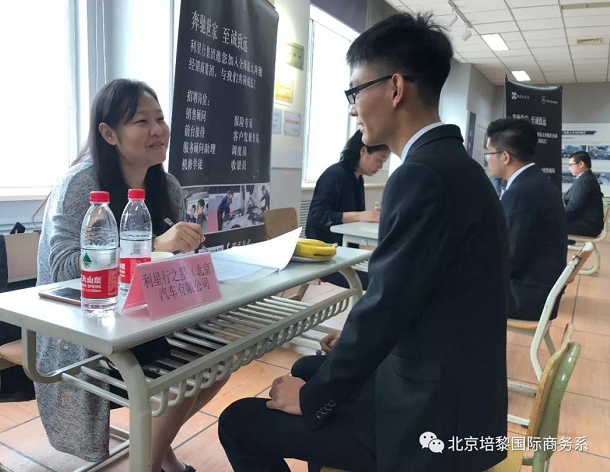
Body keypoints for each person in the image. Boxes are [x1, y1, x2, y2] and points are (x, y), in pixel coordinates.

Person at [218, 12, 509, 472]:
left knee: (238, 420)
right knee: (307, 368)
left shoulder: (422, 175)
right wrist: (342, 359)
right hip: (459, 394)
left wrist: (313, 400)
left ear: (395, 88)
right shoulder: (458, 167)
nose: (352, 108)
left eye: (355, 91)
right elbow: (407, 298)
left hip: (427, 423)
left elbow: (387, 305)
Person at [36, 79, 227, 472]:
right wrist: (153, 244)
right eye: (142, 121)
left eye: (160, 119)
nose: (158, 130)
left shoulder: (166, 185)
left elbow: (169, 262)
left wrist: (184, 249)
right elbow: (64, 269)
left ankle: (154, 449)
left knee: (218, 357)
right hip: (83, 325)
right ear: (109, 133)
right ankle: (150, 462)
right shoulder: (82, 185)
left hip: (145, 317)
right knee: (182, 373)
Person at [485, 118, 567, 322]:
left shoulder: (521, 192)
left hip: (527, 295)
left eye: (489, 153)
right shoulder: (536, 181)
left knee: (451, 286)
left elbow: (508, 259)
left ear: (505, 157)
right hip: (539, 288)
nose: (487, 159)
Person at [305, 129, 389, 289]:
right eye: (379, 160)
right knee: (381, 279)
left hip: (345, 252)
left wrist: (369, 216)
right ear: (363, 151)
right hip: (324, 255)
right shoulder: (334, 175)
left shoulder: (357, 178)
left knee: (388, 270)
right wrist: (359, 216)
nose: (380, 166)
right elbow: (316, 217)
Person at [564, 151, 604, 237]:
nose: (569, 168)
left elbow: (574, 207)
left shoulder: (584, 180)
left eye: (570, 165)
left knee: (547, 225)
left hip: (586, 225)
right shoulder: (587, 178)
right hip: (587, 223)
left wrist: (558, 218)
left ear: (581, 164)